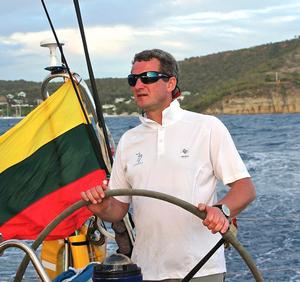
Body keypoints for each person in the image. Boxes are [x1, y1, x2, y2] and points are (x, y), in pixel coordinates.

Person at [81, 49, 256, 281]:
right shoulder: (129, 140)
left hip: (202, 268)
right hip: (146, 269)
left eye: (149, 78)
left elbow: (245, 188)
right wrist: (101, 207)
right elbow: (118, 210)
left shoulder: (206, 127)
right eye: (133, 80)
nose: (139, 85)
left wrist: (221, 210)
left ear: (171, 83)